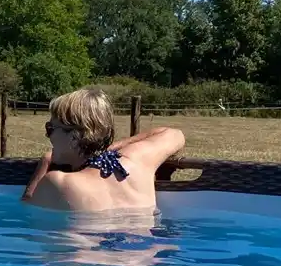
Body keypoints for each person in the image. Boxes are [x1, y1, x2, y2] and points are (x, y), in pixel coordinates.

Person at [21, 87, 185, 213]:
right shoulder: (136, 161)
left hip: (89, 256)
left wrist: (44, 165)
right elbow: (175, 134)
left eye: (50, 128)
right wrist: (115, 146)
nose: (47, 135)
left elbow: (28, 214)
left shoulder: (58, 182)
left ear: (73, 137)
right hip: (143, 255)